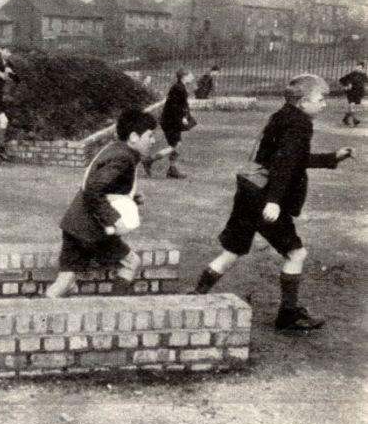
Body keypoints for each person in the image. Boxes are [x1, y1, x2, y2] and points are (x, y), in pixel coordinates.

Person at [189, 73, 355, 330]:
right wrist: (274, 201)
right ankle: (288, 314)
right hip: (264, 197)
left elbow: (291, 157)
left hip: (249, 189)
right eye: (320, 99)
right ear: (302, 102)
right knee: (296, 253)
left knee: (232, 250)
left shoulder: (282, 116)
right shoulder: (300, 124)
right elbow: (284, 163)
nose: (324, 104)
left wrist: (332, 157)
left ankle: (196, 296)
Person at [45, 108, 157, 298]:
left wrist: (132, 197)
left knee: (66, 280)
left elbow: (104, 186)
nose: (153, 141)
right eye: (150, 136)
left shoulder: (115, 149)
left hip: (73, 225)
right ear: (134, 137)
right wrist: (115, 220)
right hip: (92, 231)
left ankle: (40, 315)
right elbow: (94, 189)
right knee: (131, 263)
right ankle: (114, 311)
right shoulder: (124, 158)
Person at [142, 68, 195, 179]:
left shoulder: (180, 87)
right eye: (190, 75)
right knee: (175, 145)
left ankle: (172, 169)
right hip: (171, 121)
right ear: (184, 76)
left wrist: (184, 116)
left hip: (171, 121)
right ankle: (150, 160)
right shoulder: (178, 88)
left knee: (177, 144)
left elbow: (181, 105)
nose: (192, 77)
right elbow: (175, 106)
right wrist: (182, 118)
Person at [338, 61, 367, 127]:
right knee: (352, 106)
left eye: (360, 67)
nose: (358, 68)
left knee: (352, 106)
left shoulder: (363, 75)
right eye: (357, 67)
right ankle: (355, 120)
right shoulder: (351, 74)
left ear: (362, 68)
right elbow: (342, 80)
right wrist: (346, 85)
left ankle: (345, 119)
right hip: (351, 92)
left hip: (358, 93)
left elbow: (366, 82)